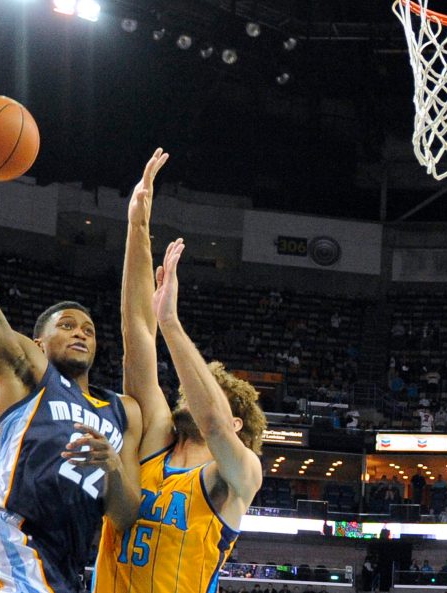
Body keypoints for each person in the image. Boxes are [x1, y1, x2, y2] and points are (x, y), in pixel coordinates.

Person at [0, 99, 142, 593]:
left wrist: (111, 471)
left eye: (88, 327)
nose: (82, 331)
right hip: (7, 545)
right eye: (67, 325)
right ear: (39, 340)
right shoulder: (28, 371)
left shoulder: (124, 411)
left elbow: (126, 515)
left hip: (63, 569)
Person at [88, 150, 266, 593]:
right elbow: (137, 341)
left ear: (238, 420)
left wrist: (171, 322)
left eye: (199, 392)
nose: (184, 397)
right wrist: (137, 226)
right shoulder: (153, 448)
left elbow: (215, 425)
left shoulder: (238, 477)